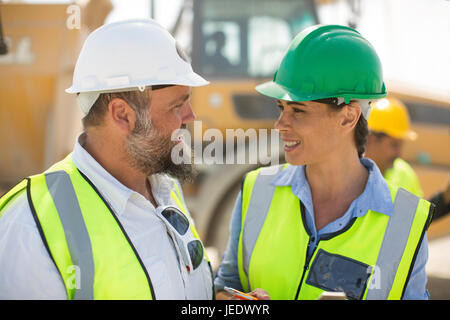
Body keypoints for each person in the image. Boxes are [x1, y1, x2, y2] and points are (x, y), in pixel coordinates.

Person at [214, 24, 434, 300]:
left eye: (298, 111)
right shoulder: (256, 190)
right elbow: (223, 289)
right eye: (281, 108)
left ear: (348, 117)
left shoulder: (406, 223)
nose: (280, 124)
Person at [0, 19, 214, 300]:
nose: (190, 117)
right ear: (122, 114)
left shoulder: (165, 187)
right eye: (177, 105)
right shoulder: (29, 227)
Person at [366, 97, 450, 220]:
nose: (399, 153)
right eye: (394, 145)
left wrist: (444, 199)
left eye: (401, 145)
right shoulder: (348, 174)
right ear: (372, 139)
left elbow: (415, 221)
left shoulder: (404, 173)